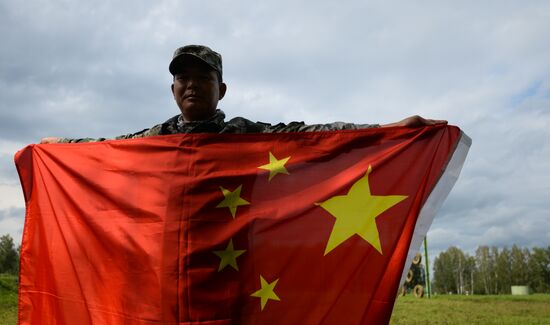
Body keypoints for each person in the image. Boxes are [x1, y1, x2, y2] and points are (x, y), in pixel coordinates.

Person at [41, 45, 446, 143]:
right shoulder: (156, 139)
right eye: (183, 78)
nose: (192, 85)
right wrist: (61, 146)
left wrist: (389, 129)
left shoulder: (243, 135)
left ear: (223, 89)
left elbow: (315, 135)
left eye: (203, 77)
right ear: (172, 89)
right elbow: (106, 150)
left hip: (230, 261)